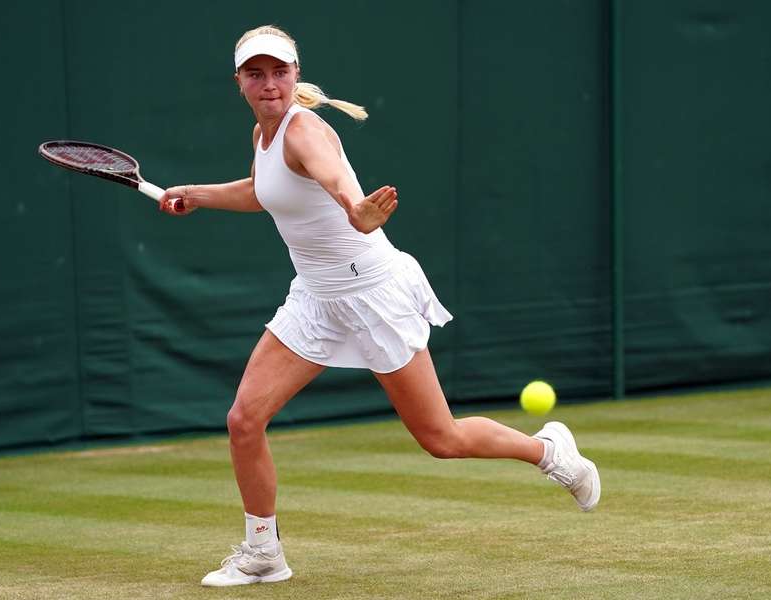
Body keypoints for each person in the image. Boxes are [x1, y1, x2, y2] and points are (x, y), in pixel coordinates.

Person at [158, 25, 601, 587]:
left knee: (441, 439)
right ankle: (263, 553)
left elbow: (334, 177)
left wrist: (355, 209)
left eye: (279, 72)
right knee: (244, 420)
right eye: (256, 73)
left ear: (295, 75)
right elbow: (261, 192)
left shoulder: (305, 132)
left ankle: (548, 451)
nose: (269, 84)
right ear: (239, 82)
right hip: (315, 297)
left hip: (372, 293)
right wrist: (196, 194)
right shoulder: (261, 136)